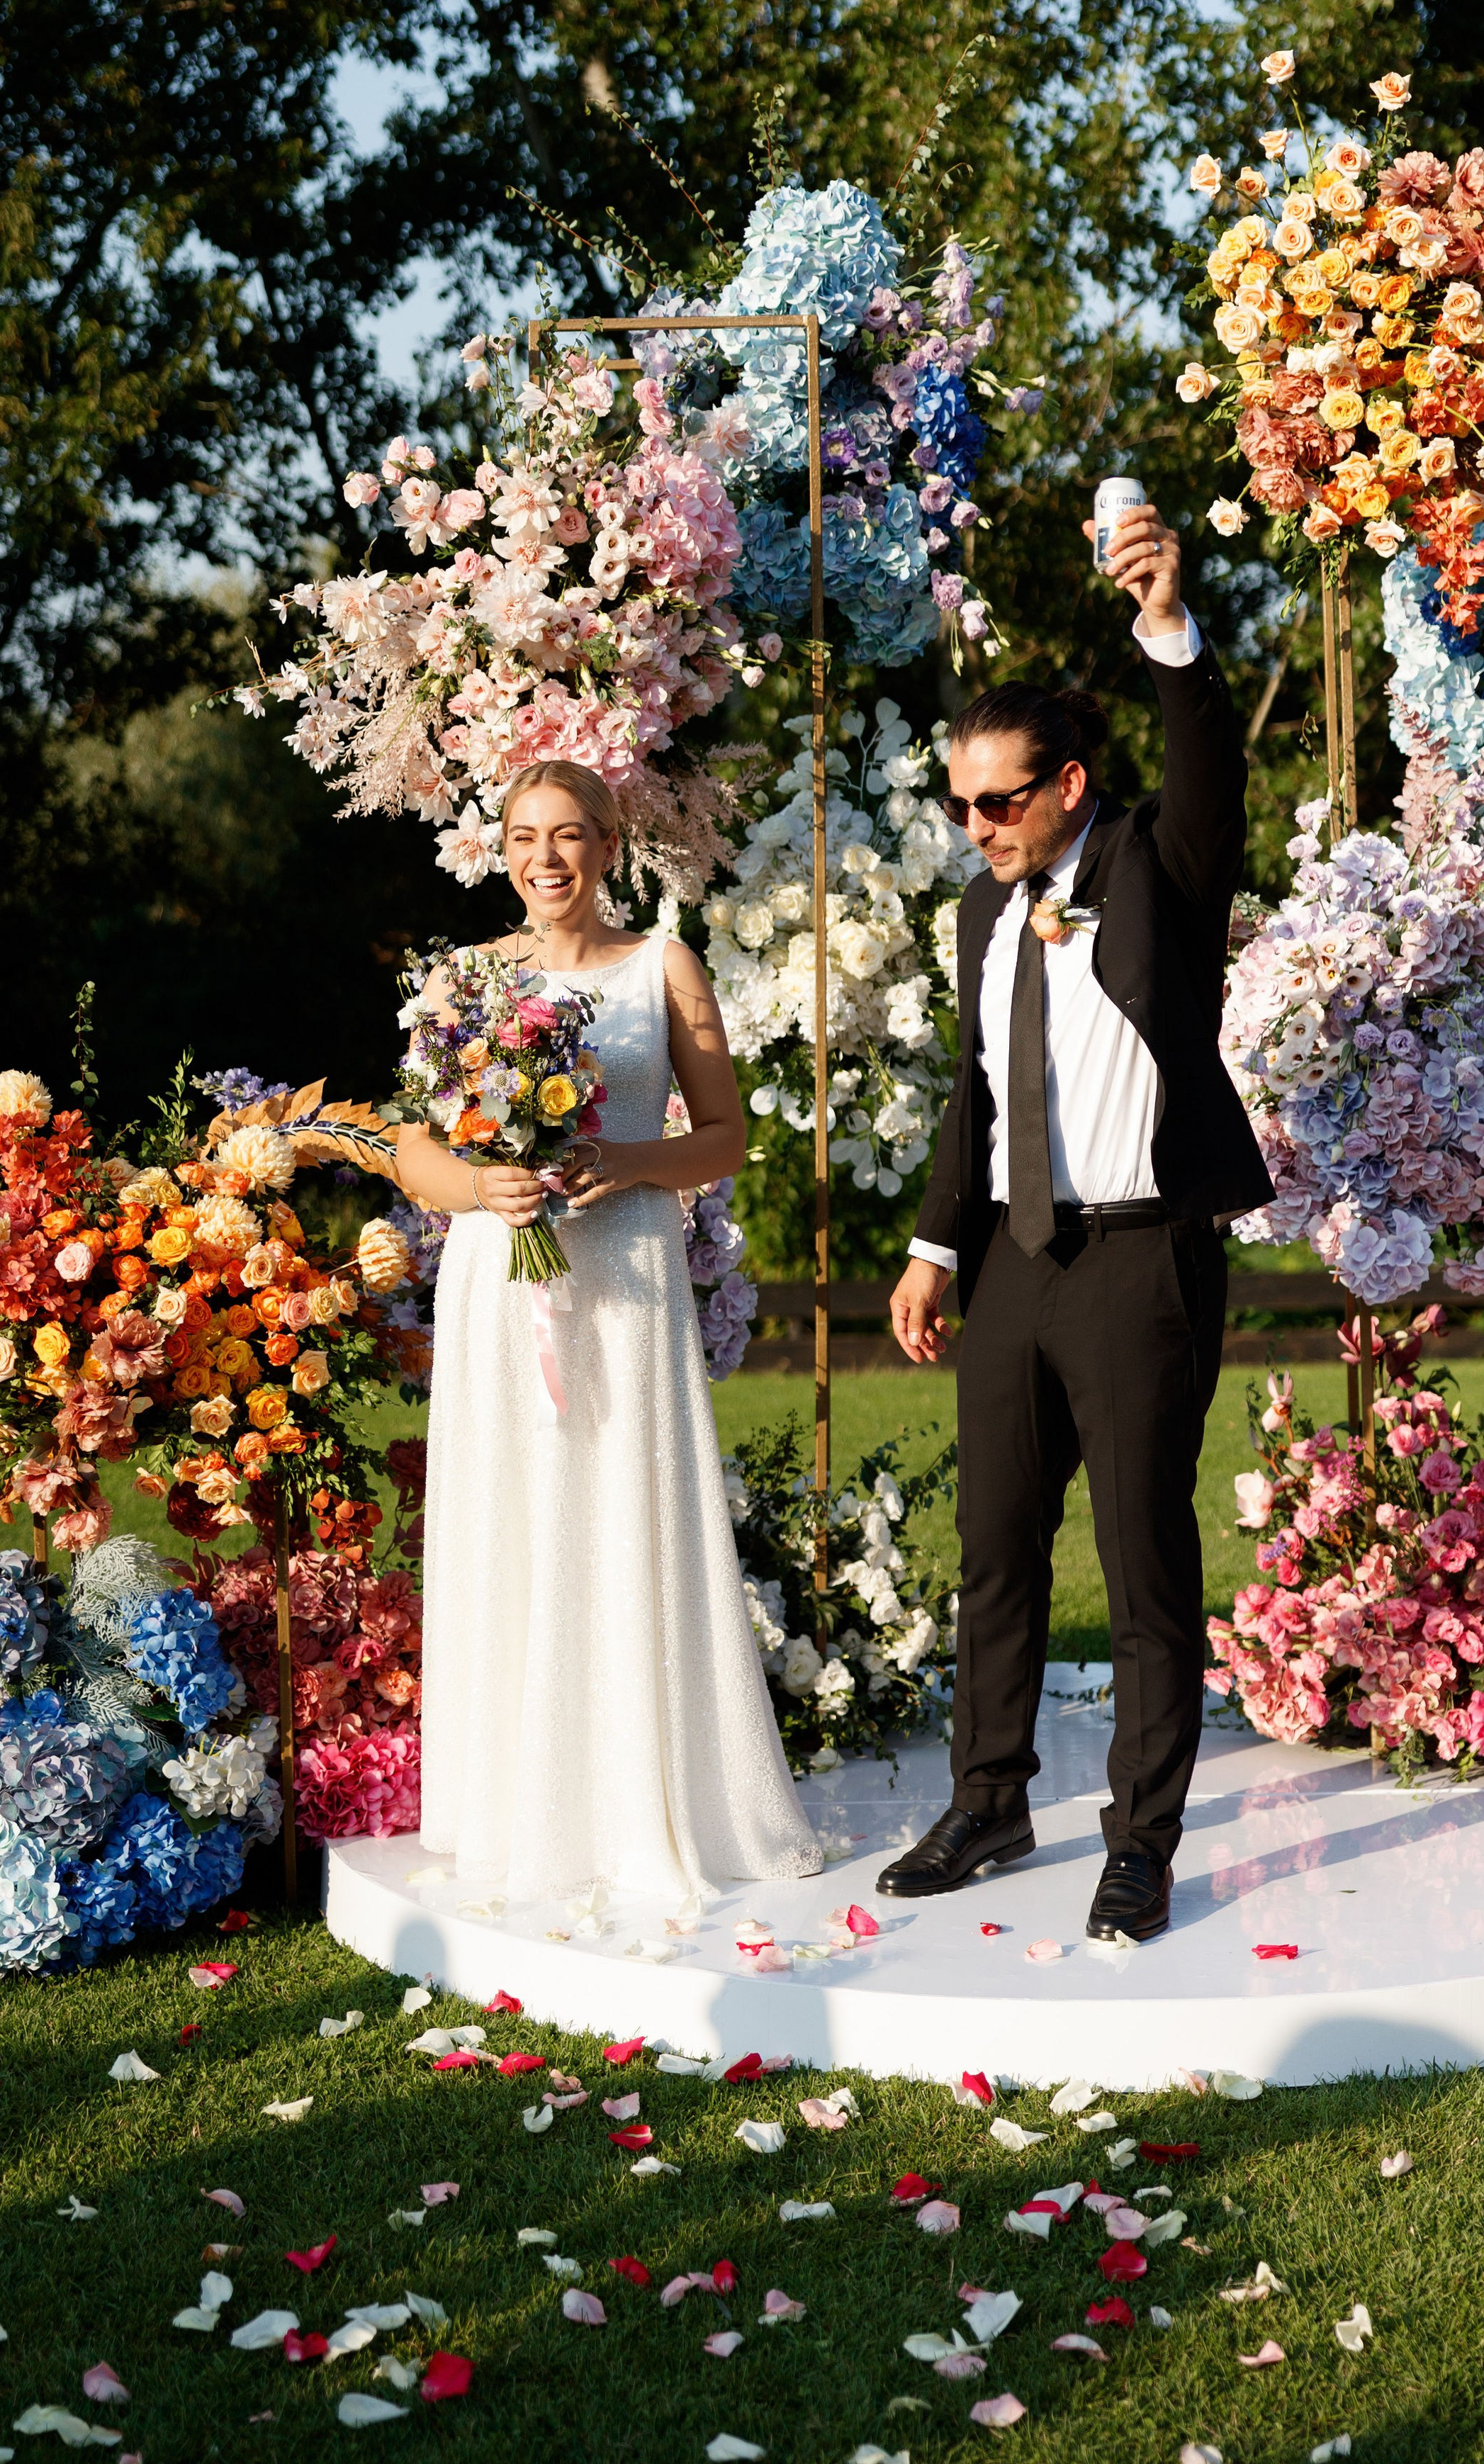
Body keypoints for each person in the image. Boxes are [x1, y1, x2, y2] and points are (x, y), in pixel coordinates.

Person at [877, 500, 1271, 1941]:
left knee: (1144, 1561)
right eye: (959, 805)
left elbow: (1208, 767)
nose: (975, 827)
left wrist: (1169, 629)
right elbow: (977, 1095)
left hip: (1140, 1258)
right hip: (1013, 1265)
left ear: (1070, 786)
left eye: (999, 803)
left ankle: (1141, 1842)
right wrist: (935, 1248)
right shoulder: (985, 914)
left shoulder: (1161, 865)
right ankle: (989, 1802)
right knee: (994, 1549)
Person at [395, 758, 822, 1902]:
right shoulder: (463, 980)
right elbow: (413, 1150)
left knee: (622, 1511)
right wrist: (479, 1186)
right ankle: (513, 1806)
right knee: (516, 1515)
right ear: (503, 852)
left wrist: (626, 1162)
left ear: (609, 847)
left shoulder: (662, 967)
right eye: (525, 837)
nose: (547, 858)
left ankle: (642, 1797)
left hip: (625, 1277)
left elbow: (725, 1137)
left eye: (571, 834)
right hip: (501, 1280)